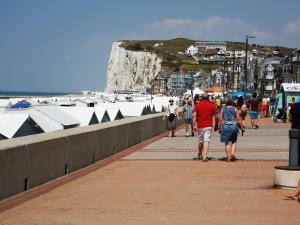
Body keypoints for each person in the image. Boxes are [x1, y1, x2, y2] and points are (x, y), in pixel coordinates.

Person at [193, 93, 218, 162]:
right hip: (209, 125)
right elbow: (216, 116)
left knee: (201, 141)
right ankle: (205, 156)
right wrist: (216, 124)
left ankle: (200, 153)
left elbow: (194, 116)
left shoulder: (197, 105)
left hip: (200, 125)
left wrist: (194, 125)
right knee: (206, 140)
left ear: (202, 98)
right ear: (208, 98)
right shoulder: (212, 105)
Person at [219, 96, 241, 162]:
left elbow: (220, 119)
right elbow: (238, 118)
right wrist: (241, 126)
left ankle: (228, 157)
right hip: (234, 126)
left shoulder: (223, 109)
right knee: (234, 141)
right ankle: (232, 153)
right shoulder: (235, 109)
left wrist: (220, 127)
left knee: (227, 142)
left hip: (225, 126)